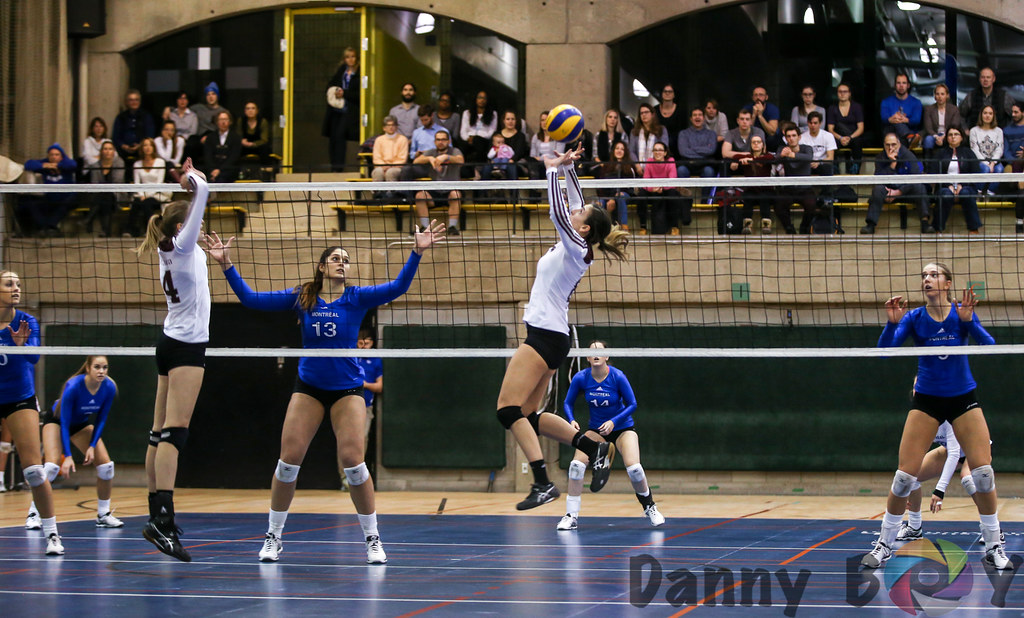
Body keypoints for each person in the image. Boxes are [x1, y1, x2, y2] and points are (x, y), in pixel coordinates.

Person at [204, 219, 446, 565]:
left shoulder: (357, 296)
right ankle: (273, 536)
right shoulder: (303, 296)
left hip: (347, 388)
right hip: (310, 387)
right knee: (288, 463)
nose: (342, 262)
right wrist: (226, 264)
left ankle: (372, 538)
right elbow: (251, 299)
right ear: (322, 266)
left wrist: (416, 252)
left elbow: (397, 287)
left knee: (353, 463)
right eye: (336, 258)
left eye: (346, 259)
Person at [495, 143, 627, 510]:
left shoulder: (575, 246)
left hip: (544, 336)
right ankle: (591, 447)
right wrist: (569, 168)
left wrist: (550, 167)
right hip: (551, 337)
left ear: (583, 227)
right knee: (531, 416)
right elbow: (573, 201)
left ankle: (541, 481)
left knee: (508, 411)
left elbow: (557, 209)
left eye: (580, 214)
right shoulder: (577, 242)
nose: (575, 210)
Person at [862, 263, 1009, 570]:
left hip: (963, 398)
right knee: (904, 478)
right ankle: (884, 544)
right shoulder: (915, 317)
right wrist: (891, 324)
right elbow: (883, 351)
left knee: (983, 474)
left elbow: (990, 347)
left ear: (947, 283)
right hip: (927, 400)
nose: (927, 279)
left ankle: (994, 545)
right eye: (924, 276)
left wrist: (970, 324)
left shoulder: (961, 313)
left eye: (933, 275)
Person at [135, 159, 211, 562]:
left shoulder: (175, 248)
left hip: (170, 341)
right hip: (185, 348)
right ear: (183, 227)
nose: (202, 225)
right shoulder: (182, 246)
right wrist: (193, 181)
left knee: (157, 432)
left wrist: (190, 187)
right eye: (195, 222)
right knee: (173, 434)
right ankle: (163, 522)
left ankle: (156, 517)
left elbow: (199, 202)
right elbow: (206, 194)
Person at [557, 341, 664, 531]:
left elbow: (632, 404)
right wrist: (571, 420)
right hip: (596, 431)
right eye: (592, 352)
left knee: (635, 469)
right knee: (575, 467)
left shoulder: (617, 376)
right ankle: (571, 516)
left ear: (607, 356)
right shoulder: (581, 378)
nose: (596, 354)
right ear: (587, 357)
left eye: (601, 351)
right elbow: (567, 403)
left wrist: (614, 421)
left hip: (622, 429)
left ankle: (649, 506)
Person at [0, 270, 64, 555]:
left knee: (34, 472)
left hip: (19, 398)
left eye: (18, 284)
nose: (16, 289)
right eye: (9, 284)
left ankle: (51, 535)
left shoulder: (27, 321)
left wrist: (20, 345)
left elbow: (34, 357)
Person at [29, 356, 124, 530]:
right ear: (88, 368)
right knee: (51, 467)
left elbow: (101, 419)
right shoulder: (73, 386)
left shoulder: (109, 386)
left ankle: (103, 515)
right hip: (57, 421)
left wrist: (92, 446)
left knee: (106, 467)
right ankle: (33, 514)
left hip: (80, 424)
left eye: (105, 367)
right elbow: (64, 422)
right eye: (97, 367)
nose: (101, 371)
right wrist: (69, 456)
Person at [894, 420, 961, 541]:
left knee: (972, 480)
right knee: (912, 478)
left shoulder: (948, 418)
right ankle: (914, 528)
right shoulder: (921, 418)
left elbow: (954, 455)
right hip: (948, 450)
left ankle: (993, 531)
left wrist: (939, 490)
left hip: (975, 450)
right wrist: (905, 491)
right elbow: (914, 454)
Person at [860, 132, 929, 234]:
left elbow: (916, 178)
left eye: (893, 144)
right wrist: (892, 164)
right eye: (887, 145)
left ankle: (925, 223)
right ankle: (870, 225)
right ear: (884, 145)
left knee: (920, 187)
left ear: (899, 144)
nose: (890, 147)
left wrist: (899, 191)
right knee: (877, 190)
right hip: (888, 192)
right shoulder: (880, 157)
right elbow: (878, 179)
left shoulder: (909, 156)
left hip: (906, 191)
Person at [930, 125, 982, 233]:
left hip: (966, 186)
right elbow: (934, 173)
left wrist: (961, 185)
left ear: (962, 137)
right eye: (950, 135)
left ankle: (973, 228)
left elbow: (976, 172)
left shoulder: (969, 153)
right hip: (944, 187)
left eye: (956, 134)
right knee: (945, 195)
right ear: (947, 138)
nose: (953, 137)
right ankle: (938, 228)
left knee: (966, 193)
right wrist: (948, 185)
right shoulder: (940, 154)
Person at [412, 129, 464, 236]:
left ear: (449, 141)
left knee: (456, 194)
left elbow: (460, 160)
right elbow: (416, 161)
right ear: (435, 142)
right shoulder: (431, 152)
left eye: (444, 139)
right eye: (438, 139)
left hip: (450, 190)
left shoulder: (454, 151)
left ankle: (452, 227)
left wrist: (446, 157)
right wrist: (429, 158)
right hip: (435, 190)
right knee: (420, 195)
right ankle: (425, 228)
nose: (441, 142)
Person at [21, 143, 77, 237]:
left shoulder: (66, 163)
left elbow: (72, 165)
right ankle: (45, 227)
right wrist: (44, 166)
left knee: (70, 200)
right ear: (48, 156)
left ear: (62, 156)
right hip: (50, 198)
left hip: (66, 198)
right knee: (28, 202)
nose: (54, 157)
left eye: (57, 155)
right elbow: (28, 164)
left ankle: (51, 226)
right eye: (51, 155)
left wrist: (58, 165)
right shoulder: (46, 163)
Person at [732, 134, 782, 234]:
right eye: (753, 142)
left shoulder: (767, 156)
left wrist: (752, 160)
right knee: (747, 197)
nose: (756, 144)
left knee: (764, 198)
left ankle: (766, 224)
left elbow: (771, 159)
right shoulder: (746, 157)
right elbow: (735, 156)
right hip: (751, 190)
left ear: (763, 145)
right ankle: (747, 225)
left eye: (758, 142)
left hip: (766, 190)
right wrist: (736, 161)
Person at [637, 142, 690, 235]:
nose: (658, 152)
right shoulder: (649, 162)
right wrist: (652, 189)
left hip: (667, 189)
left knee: (672, 194)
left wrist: (661, 187)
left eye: (660, 150)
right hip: (653, 190)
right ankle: (643, 227)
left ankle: (674, 226)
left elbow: (672, 181)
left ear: (665, 153)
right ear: (653, 152)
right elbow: (645, 181)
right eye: (655, 150)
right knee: (641, 194)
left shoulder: (670, 161)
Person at [322, 47, 360, 172]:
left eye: (353, 56)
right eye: (348, 57)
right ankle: (334, 166)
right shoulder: (341, 71)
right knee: (333, 138)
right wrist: (336, 91)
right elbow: (331, 84)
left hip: (350, 110)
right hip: (336, 110)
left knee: (340, 136)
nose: (350, 59)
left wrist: (345, 93)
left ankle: (339, 168)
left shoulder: (360, 72)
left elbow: (359, 93)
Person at [775, 123, 816, 234]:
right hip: (789, 189)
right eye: (789, 136)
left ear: (799, 137)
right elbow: (775, 159)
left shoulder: (807, 148)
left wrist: (793, 155)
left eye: (794, 135)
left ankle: (804, 228)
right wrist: (782, 156)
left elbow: (809, 157)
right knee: (779, 206)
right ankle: (789, 229)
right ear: (786, 138)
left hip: (805, 188)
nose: (791, 138)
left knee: (812, 205)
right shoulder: (782, 149)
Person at [129, 138, 170, 237]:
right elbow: (137, 184)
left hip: (157, 193)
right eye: (145, 145)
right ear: (142, 148)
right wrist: (142, 195)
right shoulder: (137, 164)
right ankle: (131, 230)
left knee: (147, 203)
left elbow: (159, 182)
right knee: (136, 203)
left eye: (150, 145)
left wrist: (147, 196)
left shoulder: (160, 162)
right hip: (141, 194)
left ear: (153, 148)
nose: (147, 148)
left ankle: (153, 231)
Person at [84, 139, 126, 237]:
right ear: (101, 152)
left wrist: (105, 189)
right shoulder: (95, 165)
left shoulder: (119, 163)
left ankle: (89, 219)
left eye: (110, 149)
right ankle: (105, 231)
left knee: (106, 196)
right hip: (100, 196)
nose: (107, 151)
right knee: (105, 198)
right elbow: (94, 184)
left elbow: (117, 182)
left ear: (114, 152)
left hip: (117, 195)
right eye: (105, 149)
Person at [595, 141, 639, 230]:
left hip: (625, 195)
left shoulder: (630, 167)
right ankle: (601, 229)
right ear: (613, 151)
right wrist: (610, 198)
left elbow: (630, 186)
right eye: (617, 148)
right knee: (599, 203)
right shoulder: (606, 167)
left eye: (622, 149)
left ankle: (624, 226)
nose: (619, 151)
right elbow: (601, 186)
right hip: (608, 196)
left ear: (625, 152)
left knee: (620, 196)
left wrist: (614, 197)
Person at [826, 83, 865, 174]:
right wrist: (840, 138)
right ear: (837, 93)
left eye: (845, 91)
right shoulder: (832, 108)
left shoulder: (856, 107)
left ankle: (855, 167)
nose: (842, 94)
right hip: (838, 137)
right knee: (831, 142)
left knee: (858, 142)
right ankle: (834, 167)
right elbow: (830, 129)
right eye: (840, 92)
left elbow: (861, 128)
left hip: (853, 136)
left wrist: (850, 137)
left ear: (849, 93)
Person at [111, 89, 155, 167]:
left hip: (142, 152)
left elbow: (150, 135)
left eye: (136, 100)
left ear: (140, 102)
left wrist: (140, 145)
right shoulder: (120, 117)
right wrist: (123, 145)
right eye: (131, 100)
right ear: (126, 102)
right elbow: (115, 137)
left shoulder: (146, 116)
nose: (134, 102)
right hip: (123, 152)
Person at [880, 73, 923, 148]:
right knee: (896, 124)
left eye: (904, 83)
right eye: (898, 83)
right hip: (891, 133)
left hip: (909, 131)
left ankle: (908, 138)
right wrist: (892, 119)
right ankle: (909, 137)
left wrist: (905, 120)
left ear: (908, 85)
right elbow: (884, 118)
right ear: (895, 85)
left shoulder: (916, 102)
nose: (901, 86)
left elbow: (916, 120)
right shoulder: (886, 102)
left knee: (901, 136)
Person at [969, 105, 1004, 195]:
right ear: (981, 115)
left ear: (993, 116)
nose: (987, 116)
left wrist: (992, 163)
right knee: (984, 169)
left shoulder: (998, 131)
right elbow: (974, 149)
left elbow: (999, 149)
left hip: (994, 162)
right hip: (979, 161)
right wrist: (987, 164)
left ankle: (990, 194)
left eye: (990, 113)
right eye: (985, 113)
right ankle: (979, 193)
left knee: (999, 169)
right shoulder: (974, 131)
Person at [921, 84, 961, 160]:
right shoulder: (928, 109)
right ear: (934, 96)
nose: (940, 96)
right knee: (928, 140)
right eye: (937, 94)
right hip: (934, 135)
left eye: (942, 94)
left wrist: (944, 136)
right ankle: (928, 167)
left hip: (948, 134)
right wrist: (937, 137)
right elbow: (928, 128)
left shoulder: (954, 109)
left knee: (954, 138)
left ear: (947, 95)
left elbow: (955, 125)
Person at [675, 107, 718, 179]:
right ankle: (686, 191)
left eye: (700, 115)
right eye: (694, 115)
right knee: (681, 170)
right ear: (691, 119)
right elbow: (683, 152)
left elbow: (711, 150)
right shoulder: (683, 134)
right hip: (688, 164)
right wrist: (703, 151)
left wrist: (692, 148)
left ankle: (706, 191)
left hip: (705, 164)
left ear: (704, 118)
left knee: (709, 171)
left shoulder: (711, 134)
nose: (697, 117)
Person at [460, 90, 498, 168]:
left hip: (484, 140)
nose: (482, 100)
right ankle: (463, 169)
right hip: (469, 139)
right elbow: (463, 131)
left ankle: (479, 169)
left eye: (484, 98)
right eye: (479, 97)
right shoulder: (467, 113)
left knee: (478, 141)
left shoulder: (493, 114)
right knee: (462, 146)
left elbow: (492, 131)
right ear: (476, 99)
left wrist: (477, 137)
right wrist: (468, 138)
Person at [722, 109, 766, 175]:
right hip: (736, 163)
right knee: (725, 163)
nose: (744, 122)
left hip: (752, 162)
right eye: (742, 119)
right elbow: (725, 153)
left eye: (747, 119)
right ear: (738, 121)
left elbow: (763, 152)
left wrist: (744, 157)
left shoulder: (758, 132)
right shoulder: (731, 133)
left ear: (751, 121)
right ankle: (724, 185)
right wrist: (741, 157)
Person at [203, 110, 241, 183]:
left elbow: (234, 157)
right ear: (217, 122)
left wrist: (219, 170)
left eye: (226, 119)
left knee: (222, 178)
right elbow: (208, 156)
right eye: (221, 119)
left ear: (230, 122)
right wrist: (213, 170)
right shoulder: (210, 137)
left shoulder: (235, 137)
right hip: (212, 169)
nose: (223, 122)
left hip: (229, 169)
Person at [629, 103, 669, 172]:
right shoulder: (634, 132)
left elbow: (663, 148)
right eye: (641, 113)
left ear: (652, 114)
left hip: (657, 167)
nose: (644, 115)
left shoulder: (661, 130)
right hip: (639, 168)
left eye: (646, 112)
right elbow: (631, 151)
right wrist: (637, 165)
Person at [370, 115, 409, 183]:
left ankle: (391, 193)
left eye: (393, 125)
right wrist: (384, 166)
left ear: (396, 127)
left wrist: (391, 166)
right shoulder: (379, 140)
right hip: (381, 166)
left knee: (390, 173)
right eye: (388, 125)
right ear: (384, 128)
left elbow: (402, 158)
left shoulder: (403, 139)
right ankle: (377, 193)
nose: (391, 127)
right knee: (378, 172)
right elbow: (376, 158)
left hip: (397, 167)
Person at [237, 101, 271, 165]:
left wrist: (253, 144)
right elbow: (238, 136)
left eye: (253, 108)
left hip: (258, 147)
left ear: (257, 111)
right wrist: (241, 141)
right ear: (245, 111)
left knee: (265, 148)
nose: (250, 110)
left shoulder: (263, 121)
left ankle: (265, 170)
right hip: (244, 146)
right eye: (248, 108)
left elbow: (264, 140)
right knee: (236, 149)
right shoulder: (241, 121)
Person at [654, 84, 685, 157]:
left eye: (670, 91)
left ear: (674, 95)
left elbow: (682, 131)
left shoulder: (681, 110)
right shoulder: (654, 110)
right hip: (657, 144)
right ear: (661, 94)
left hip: (676, 145)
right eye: (665, 91)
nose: (667, 93)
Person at [529, 110, 557, 179]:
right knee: (532, 164)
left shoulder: (558, 137)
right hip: (538, 165)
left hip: (553, 164)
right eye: (542, 120)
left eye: (547, 120)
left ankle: (535, 187)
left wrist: (541, 158)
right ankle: (534, 187)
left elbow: (558, 156)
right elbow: (533, 155)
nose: (544, 123)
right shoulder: (536, 137)